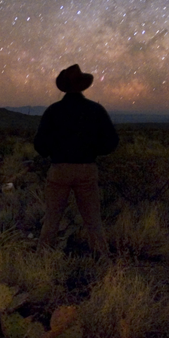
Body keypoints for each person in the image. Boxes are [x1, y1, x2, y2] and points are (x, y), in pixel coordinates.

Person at [34, 64, 119, 256]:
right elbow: (111, 142)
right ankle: (101, 259)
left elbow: (40, 145)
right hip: (86, 169)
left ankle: (42, 260)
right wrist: (93, 151)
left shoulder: (53, 111)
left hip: (59, 169)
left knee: (52, 218)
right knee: (93, 220)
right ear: (82, 86)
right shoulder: (96, 110)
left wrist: (54, 150)